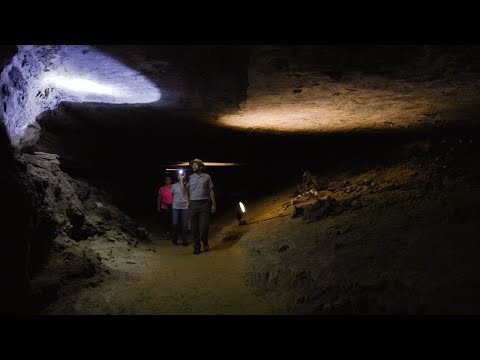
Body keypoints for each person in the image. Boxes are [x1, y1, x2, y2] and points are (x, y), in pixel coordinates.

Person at [180, 158, 216, 254]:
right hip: (193, 204)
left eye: (196, 165)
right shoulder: (189, 178)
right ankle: (196, 246)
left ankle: (204, 241)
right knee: (194, 228)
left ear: (200, 167)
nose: (193, 166)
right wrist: (181, 180)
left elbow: (211, 191)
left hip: (205, 204)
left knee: (204, 228)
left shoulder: (207, 177)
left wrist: (213, 204)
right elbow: (183, 191)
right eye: (193, 165)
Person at [170, 171, 189, 246]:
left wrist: (182, 180)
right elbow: (172, 194)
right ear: (177, 177)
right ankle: (175, 239)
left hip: (185, 207)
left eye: (182, 175)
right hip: (175, 207)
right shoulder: (173, 186)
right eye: (179, 175)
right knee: (175, 224)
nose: (180, 176)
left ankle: (184, 240)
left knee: (184, 224)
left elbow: (183, 191)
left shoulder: (187, 184)